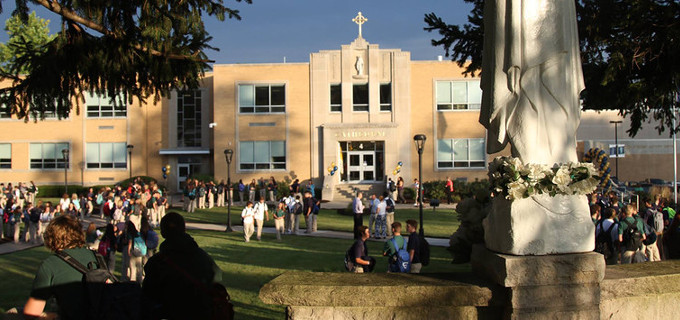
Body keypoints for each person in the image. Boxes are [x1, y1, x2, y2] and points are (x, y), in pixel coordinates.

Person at [480, 0, 583, 165]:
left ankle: (557, 168)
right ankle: (532, 170)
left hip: (555, 12)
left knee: (556, 84)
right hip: (518, 12)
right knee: (521, 91)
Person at [142, 212, 223, 319]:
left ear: (163, 233)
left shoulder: (156, 262)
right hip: (201, 311)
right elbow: (217, 278)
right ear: (184, 229)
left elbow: (148, 295)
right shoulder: (202, 257)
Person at [22, 215, 103, 319]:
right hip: (102, 314)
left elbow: (31, 312)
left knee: (14, 313)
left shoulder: (51, 264)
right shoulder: (97, 257)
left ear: (51, 238)